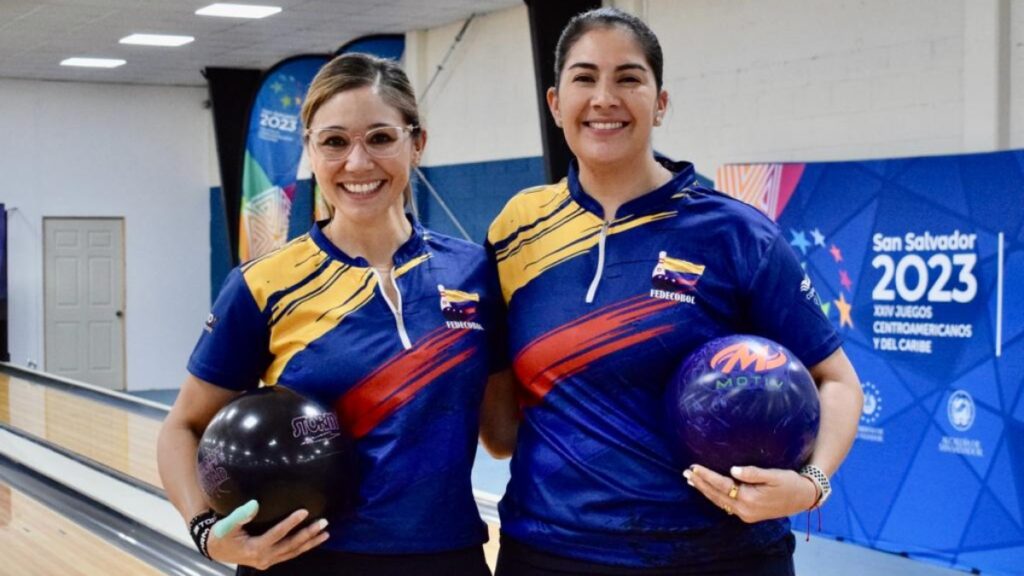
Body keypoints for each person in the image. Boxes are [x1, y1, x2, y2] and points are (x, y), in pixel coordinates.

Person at [480, 7, 863, 576]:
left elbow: (837, 380)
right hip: (548, 552)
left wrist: (810, 486)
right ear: (556, 102)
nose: (605, 97)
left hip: (717, 556)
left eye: (628, 78)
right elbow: (502, 433)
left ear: (660, 103)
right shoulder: (516, 229)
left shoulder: (735, 232)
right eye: (585, 78)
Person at [158, 53, 499, 576]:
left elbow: (503, 433)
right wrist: (207, 532)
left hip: (445, 558)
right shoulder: (262, 283)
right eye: (335, 141)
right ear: (310, 152)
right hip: (304, 562)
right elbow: (182, 426)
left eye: (381, 138)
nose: (358, 163)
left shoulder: (474, 272)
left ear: (417, 143)